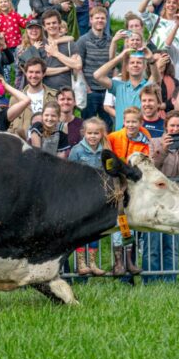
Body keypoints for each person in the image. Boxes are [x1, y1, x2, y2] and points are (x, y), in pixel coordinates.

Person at [146, 110, 179, 283]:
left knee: (172, 244)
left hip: (177, 200)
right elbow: (150, 169)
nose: (175, 129)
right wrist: (163, 150)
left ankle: (170, 282)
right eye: (172, 125)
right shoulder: (154, 143)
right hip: (155, 199)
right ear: (165, 127)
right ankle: (149, 281)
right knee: (152, 243)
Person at [107, 106, 151, 277]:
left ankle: (129, 259)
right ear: (123, 122)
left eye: (134, 122)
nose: (131, 125)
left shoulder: (144, 141)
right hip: (116, 185)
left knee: (130, 222)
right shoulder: (113, 137)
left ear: (141, 123)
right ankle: (118, 261)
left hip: (133, 186)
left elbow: (145, 162)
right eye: (128, 122)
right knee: (118, 220)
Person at [67, 117, 109, 276]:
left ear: (101, 134)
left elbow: (106, 171)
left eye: (96, 133)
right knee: (82, 230)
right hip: (81, 197)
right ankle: (81, 262)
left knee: (94, 230)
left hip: (97, 197)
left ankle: (92, 262)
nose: (92, 136)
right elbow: (70, 173)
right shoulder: (77, 151)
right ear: (83, 133)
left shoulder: (104, 150)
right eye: (90, 133)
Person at [94, 48, 151, 131]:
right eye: (132, 63)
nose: (135, 65)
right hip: (121, 136)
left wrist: (151, 59)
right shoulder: (119, 86)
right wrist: (120, 57)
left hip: (142, 135)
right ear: (127, 68)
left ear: (144, 67)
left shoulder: (149, 86)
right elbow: (97, 75)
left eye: (139, 63)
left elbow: (157, 77)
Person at [76, 7, 112, 126]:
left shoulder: (111, 41)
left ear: (106, 20)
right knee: (87, 126)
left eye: (103, 18)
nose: (100, 20)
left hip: (107, 91)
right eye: (97, 18)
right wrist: (87, 89)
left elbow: (113, 64)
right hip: (90, 91)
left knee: (108, 126)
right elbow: (77, 68)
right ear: (91, 20)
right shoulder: (83, 40)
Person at [8, 58, 58, 140]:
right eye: (31, 72)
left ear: (44, 74)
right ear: (26, 73)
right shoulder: (15, 98)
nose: (33, 76)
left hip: (48, 142)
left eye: (37, 72)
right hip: (22, 144)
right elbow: (10, 124)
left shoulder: (54, 96)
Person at [39, 10, 81, 91]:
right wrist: (66, 67)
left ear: (59, 24)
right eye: (48, 24)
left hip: (67, 92)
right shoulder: (40, 45)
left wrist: (56, 53)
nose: (51, 25)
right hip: (46, 92)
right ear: (44, 27)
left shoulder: (70, 44)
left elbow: (77, 65)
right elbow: (41, 71)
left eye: (54, 23)